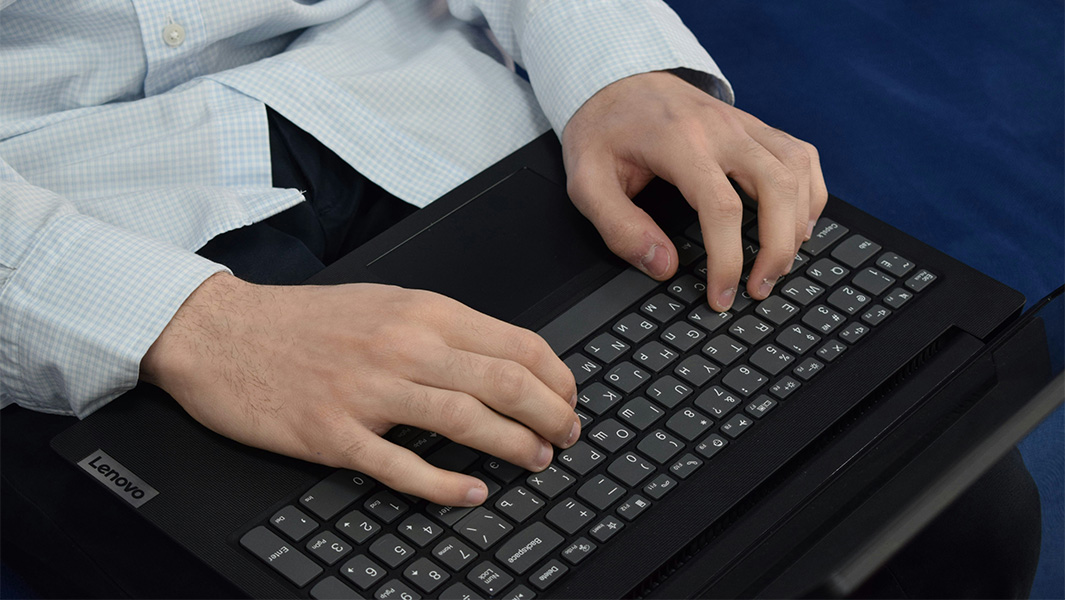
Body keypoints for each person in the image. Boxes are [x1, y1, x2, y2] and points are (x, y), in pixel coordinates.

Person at [1, 0, 824, 506]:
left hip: (415, 86)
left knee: (822, 381)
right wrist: (202, 326)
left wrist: (616, 67)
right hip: (79, 222)